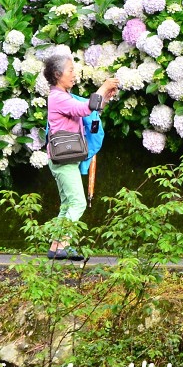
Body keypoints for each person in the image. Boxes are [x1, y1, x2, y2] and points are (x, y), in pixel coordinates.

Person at [43, 52, 119, 261]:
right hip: (63, 161)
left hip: (66, 160)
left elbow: (90, 108)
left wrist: (103, 97)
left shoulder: (63, 96)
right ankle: (63, 246)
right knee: (78, 203)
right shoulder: (58, 97)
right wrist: (102, 88)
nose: (74, 74)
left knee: (67, 204)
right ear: (58, 74)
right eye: (70, 70)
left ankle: (55, 247)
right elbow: (84, 108)